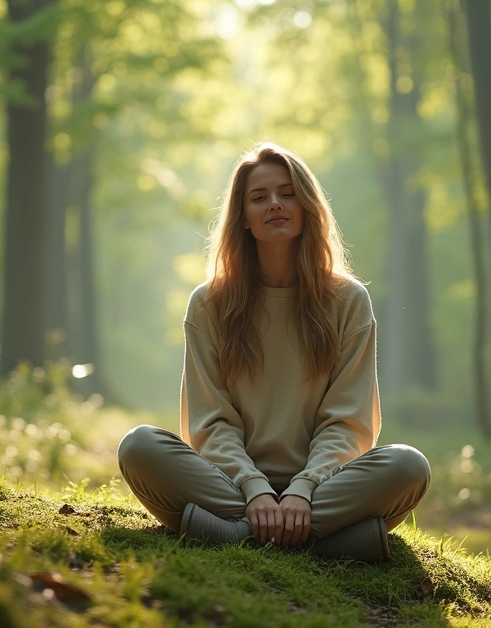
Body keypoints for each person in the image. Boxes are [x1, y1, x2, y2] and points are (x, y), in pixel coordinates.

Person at [117, 142, 430, 561]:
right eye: (259, 197)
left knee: (408, 467)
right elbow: (209, 421)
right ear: (243, 218)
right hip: (230, 484)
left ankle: (234, 535)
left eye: (287, 193)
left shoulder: (348, 300)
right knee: (139, 447)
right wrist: (255, 489)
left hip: (325, 485)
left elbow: (349, 421)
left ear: (307, 206)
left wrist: (303, 489)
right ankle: (324, 542)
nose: (275, 205)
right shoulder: (209, 304)